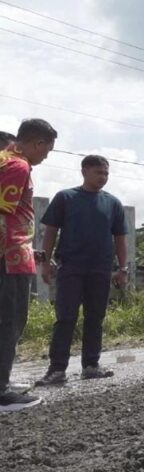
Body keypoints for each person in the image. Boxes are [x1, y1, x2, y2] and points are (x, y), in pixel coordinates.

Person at [34, 154, 127, 386]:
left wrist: (123, 268)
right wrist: (45, 261)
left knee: (95, 317)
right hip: (71, 268)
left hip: (101, 269)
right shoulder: (66, 197)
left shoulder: (113, 203)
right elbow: (50, 231)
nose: (103, 177)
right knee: (66, 318)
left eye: (106, 173)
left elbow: (120, 238)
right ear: (84, 171)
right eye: (98, 172)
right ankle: (57, 370)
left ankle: (91, 366)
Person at [0, 119, 56, 411]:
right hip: (10, 257)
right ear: (38, 143)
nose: (46, 156)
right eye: (47, 150)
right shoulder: (18, 166)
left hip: (14, 253)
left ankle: (3, 380)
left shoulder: (5, 159)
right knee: (10, 320)